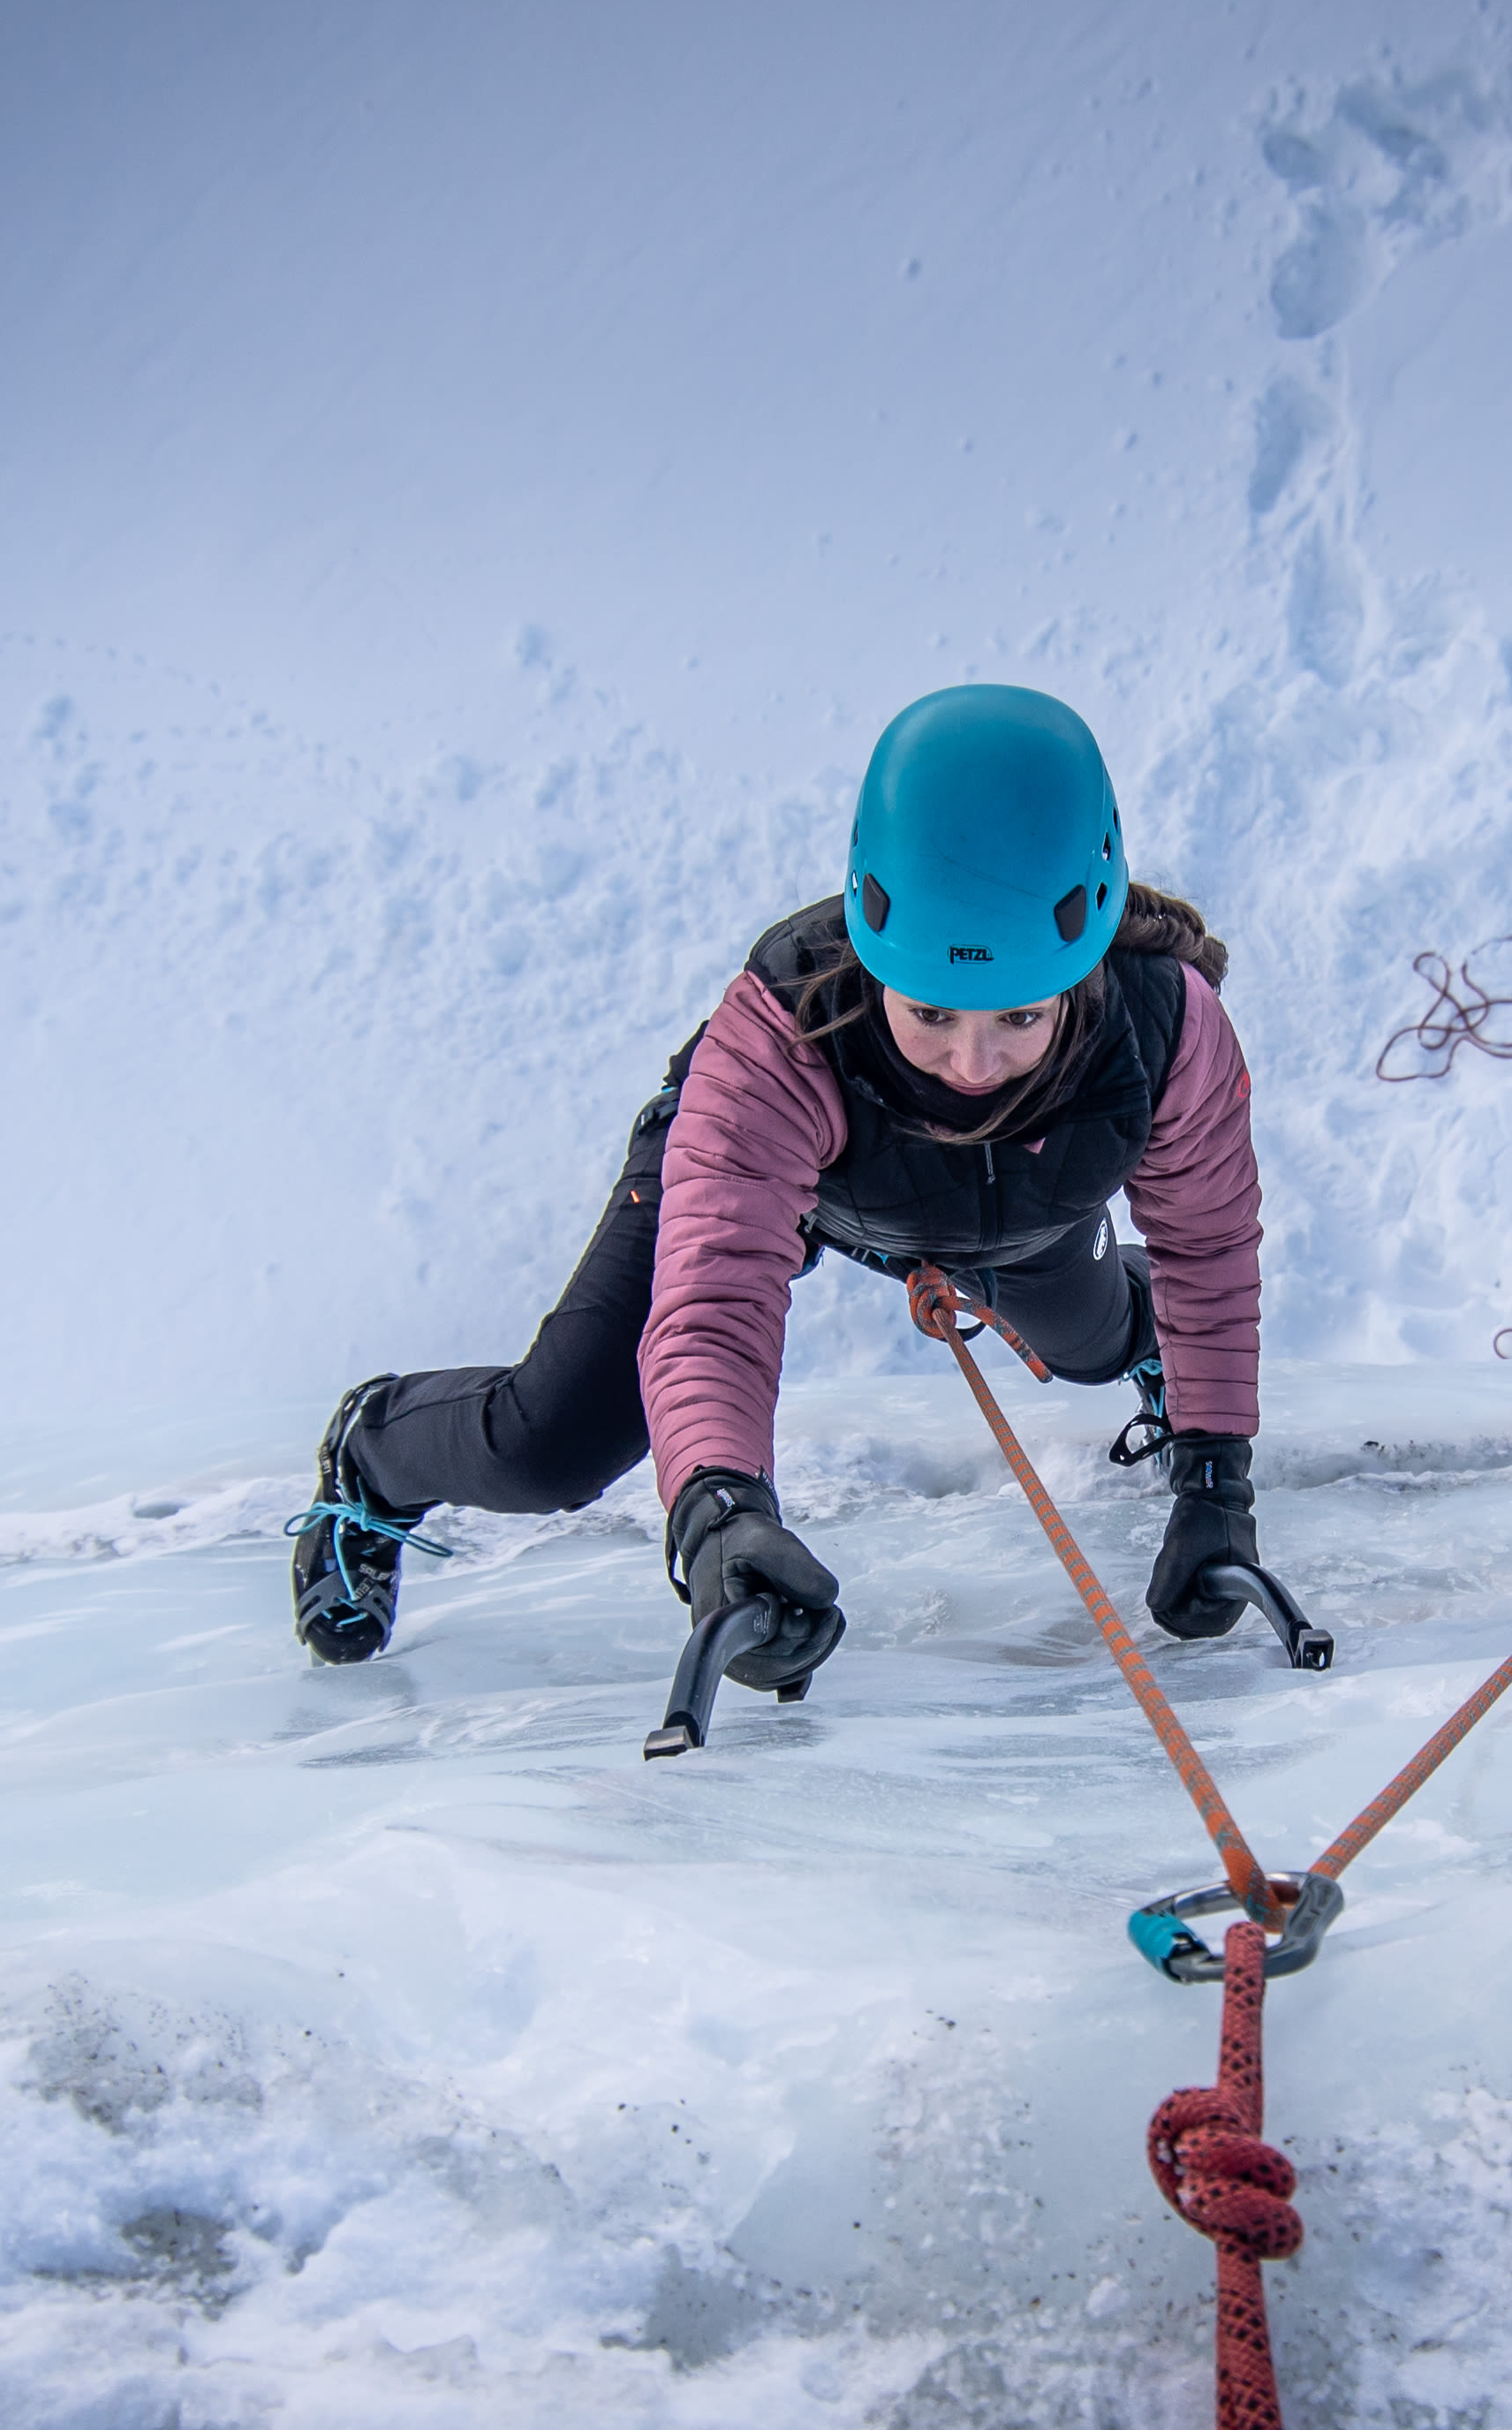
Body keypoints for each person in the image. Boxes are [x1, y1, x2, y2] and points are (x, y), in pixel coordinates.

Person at [289, 685, 1271, 1690]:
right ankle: (375, 1449)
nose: (970, 1064)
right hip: (791, 1181)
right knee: (551, 1446)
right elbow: (715, 1305)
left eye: (1018, 1017)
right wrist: (722, 1512)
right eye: (930, 1012)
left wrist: (1212, 1477)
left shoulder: (1163, 1025)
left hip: (1024, 1196)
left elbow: (1207, 1247)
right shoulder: (778, 1035)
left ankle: (1153, 1354)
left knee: (1106, 1340)